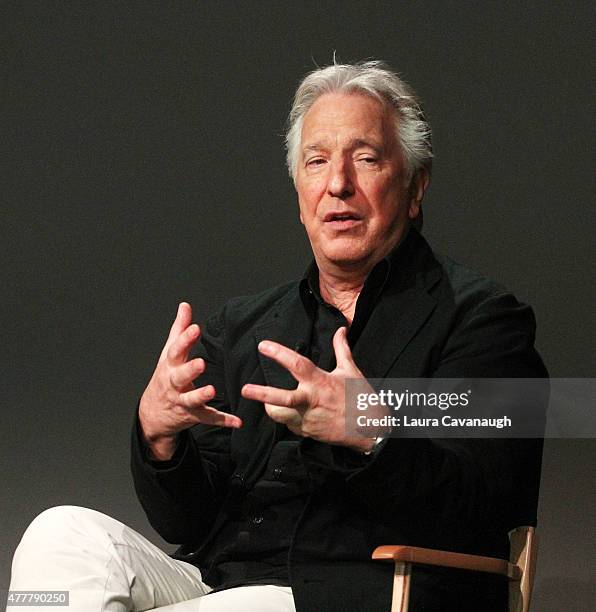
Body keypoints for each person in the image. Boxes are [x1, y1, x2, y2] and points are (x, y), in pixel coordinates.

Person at [9, 60, 546, 612]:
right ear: (299, 192)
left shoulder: (485, 321)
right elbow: (188, 523)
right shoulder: (241, 328)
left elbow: (486, 504)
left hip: (358, 594)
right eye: (317, 162)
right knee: (60, 535)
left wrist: (372, 431)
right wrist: (159, 437)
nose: (338, 184)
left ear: (414, 187)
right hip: (219, 589)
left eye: (365, 159)